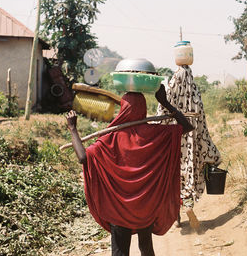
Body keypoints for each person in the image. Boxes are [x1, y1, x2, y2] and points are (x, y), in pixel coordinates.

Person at [66, 84, 194, 256]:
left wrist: (73, 129)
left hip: (118, 209)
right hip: (146, 207)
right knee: (146, 248)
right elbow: (186, 127)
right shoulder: (156, 133)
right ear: (143, 109)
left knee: (120, 252)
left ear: (122, 110)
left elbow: (83, 158)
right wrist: (166, 103)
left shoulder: (109, 139)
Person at [156, 65, 222, 230]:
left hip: (173, 140)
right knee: (189, 173)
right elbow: (203, 126)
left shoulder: (170, 91)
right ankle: (188, 204)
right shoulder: (195, 94)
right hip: (192, 144)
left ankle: (176, 217)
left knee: (172, 176)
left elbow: (160, 115)